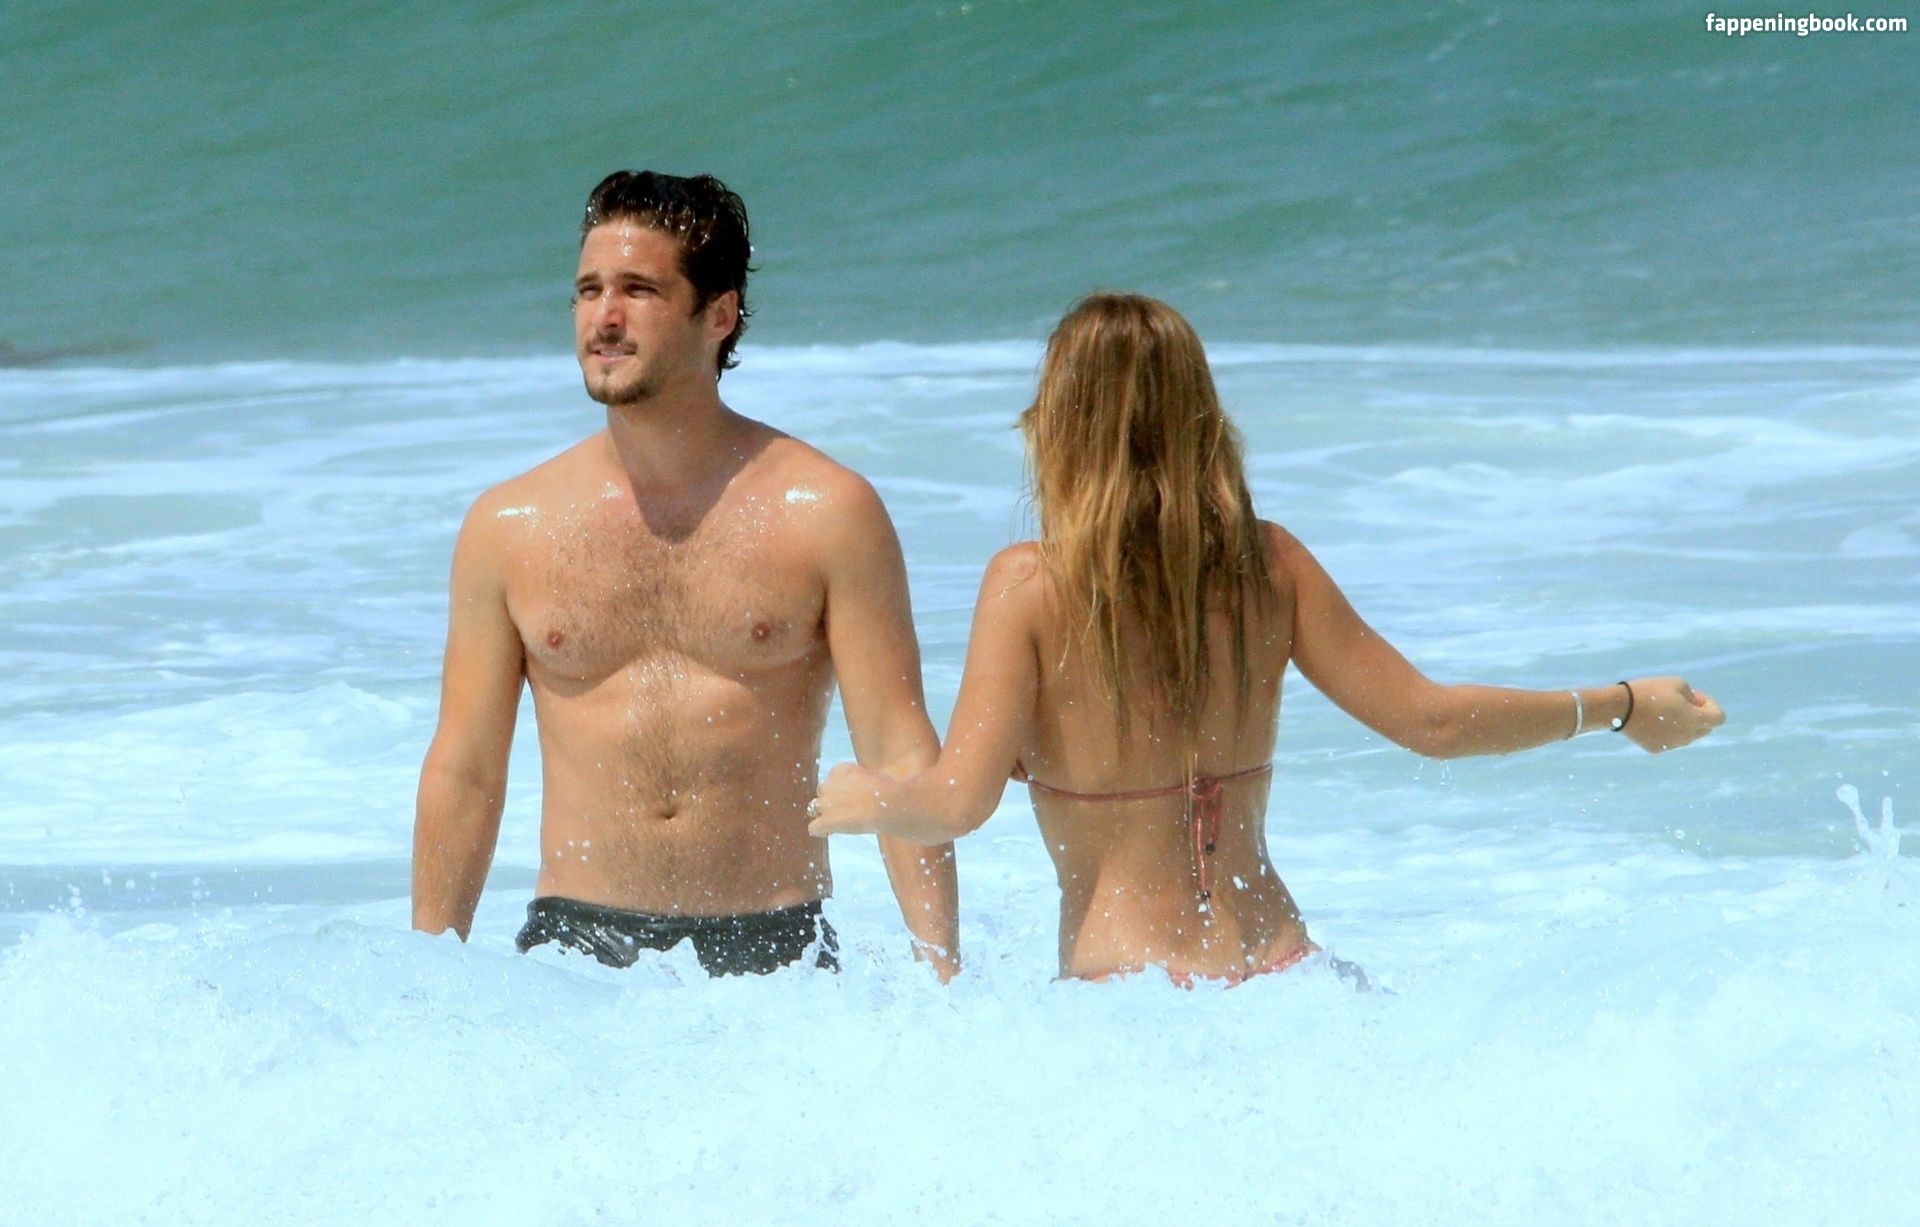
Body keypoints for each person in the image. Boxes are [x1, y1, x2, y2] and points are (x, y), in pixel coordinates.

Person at [808, 293, 1725, 985]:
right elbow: (1435, 723)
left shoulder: (1028, 587)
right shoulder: (1270, 566)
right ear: (1202, 418)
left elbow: (957, 804)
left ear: (1060, 426)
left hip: (1128, 996)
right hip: (1287, 973)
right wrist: (1622, 706)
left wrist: (874, 798)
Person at [412, 171, 958, 980]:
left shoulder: (827, 512)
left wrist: (942, 976)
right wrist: (427, 979)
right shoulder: (508, 527)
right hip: (571, 951)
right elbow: (465, 770)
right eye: (589, 291)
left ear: (719, 315)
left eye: (638, 290)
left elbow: (898, 754)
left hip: (775, 951)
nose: (604, 317)